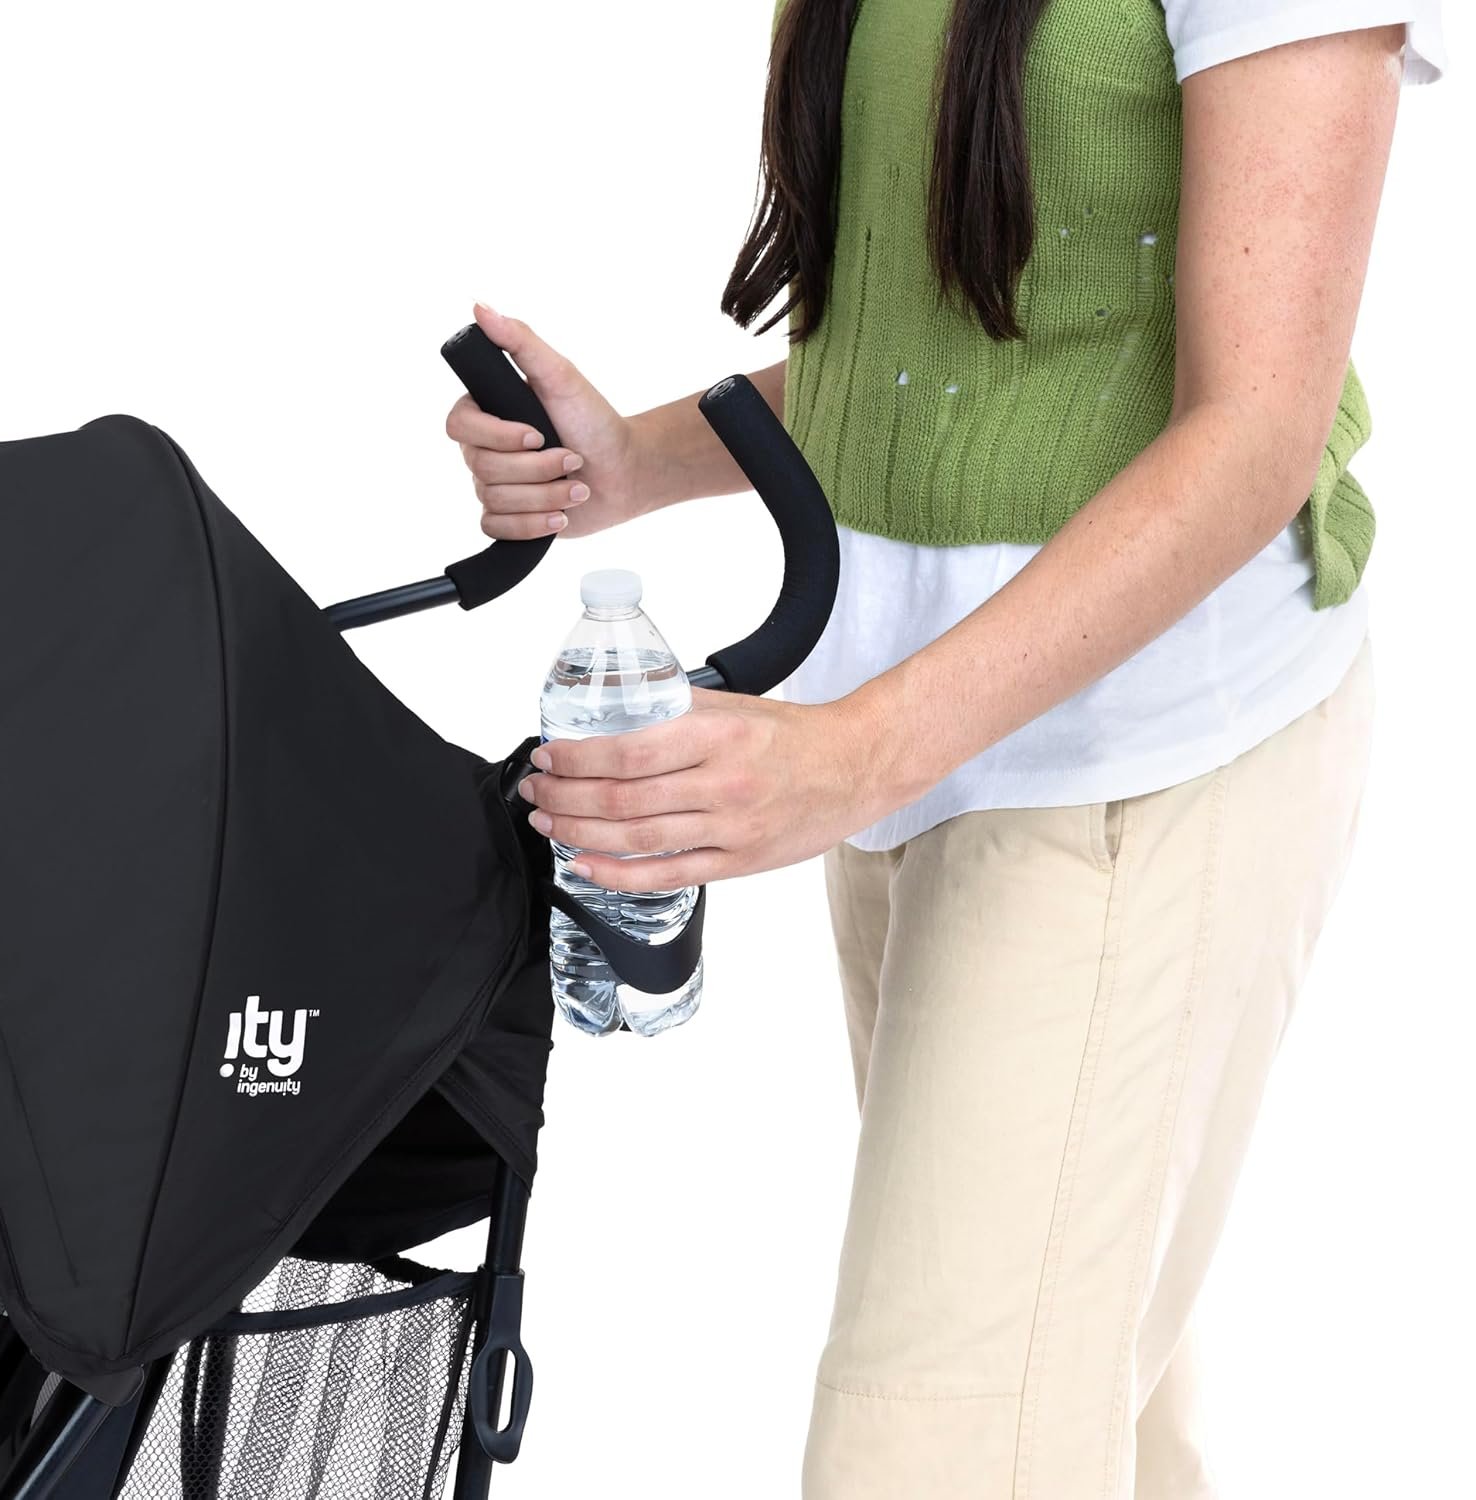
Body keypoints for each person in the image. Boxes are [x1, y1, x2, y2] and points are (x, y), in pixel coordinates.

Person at [446, 2, 1444, 1494]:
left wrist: (855, 755)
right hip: (916, 755)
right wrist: (636, 460)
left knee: (935, 1444)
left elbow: (1255, 431)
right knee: (1067, 1401)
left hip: (1133, 774)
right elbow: (947, 338)